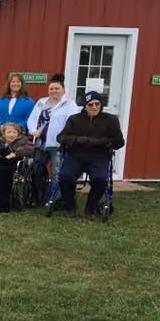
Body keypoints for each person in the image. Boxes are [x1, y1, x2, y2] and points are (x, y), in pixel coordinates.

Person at [56, 91, 125, 220]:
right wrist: (77, 139)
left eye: (97, 104)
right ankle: (70, 207)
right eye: (90, 104)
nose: (94, 107)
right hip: (76, 156)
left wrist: (98, 142)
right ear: (85, 106)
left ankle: (90, 208)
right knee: (65, 176)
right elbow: (61, 137)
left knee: (100, 179)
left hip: (99, 157)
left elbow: (119, 142)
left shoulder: (111, 120)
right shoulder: (74, 119)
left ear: (101, 104)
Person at [26, 73, 80, 201]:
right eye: (51, 89)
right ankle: (38, 196)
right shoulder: (41, 102)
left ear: (63, 90)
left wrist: (64, 137)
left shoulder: (69, 104)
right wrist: (33, 130)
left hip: (57, 145)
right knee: (37, 169)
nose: (54, 91)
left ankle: (55, 198)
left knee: (57, 172)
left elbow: (72, 124)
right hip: (40, 143)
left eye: (57, 89)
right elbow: (32, 118)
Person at [0, 73, 34, 138]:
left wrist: (16, 127)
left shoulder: (28, 102)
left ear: (22, 84)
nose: (15, 84)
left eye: (18, 82)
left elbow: (30, 119)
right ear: (9, 84)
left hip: (18, 138)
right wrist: (0, 125)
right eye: (13, 82)